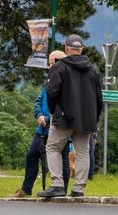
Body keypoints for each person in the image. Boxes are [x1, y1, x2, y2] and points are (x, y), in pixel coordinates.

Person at [40, 35, 103, 198]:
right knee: (83, 152)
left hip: (64, 117)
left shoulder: (59, 67)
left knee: (53, 147)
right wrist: (93, 119)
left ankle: (57, 185)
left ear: (66, 48)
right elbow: (98, 99)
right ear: (81, 49)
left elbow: (51, 92)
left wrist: (55, 111)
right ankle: (79, 189)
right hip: (86, 119)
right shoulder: (93, 70)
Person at [17, 50, 71, 197]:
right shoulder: (47, 81)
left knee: (63, 158)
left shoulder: (67, 83)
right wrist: (39, 115)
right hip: (42, 129)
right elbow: (39, 101)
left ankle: (62, 190)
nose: (50, 65)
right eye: (49, 62)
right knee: (32, 156)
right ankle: (26, 189)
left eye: (52, 62)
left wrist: (47, 118)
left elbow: (64, 106)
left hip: (59, 126)